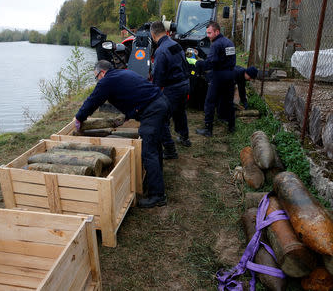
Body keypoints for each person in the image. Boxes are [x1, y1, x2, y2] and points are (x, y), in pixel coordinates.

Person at [75, 60, 170, 208]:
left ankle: (157, 195)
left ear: (102, 72)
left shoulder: (106, 81)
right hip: (161, 102)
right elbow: (133, 94)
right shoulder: (121, 73)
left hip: (153, 110)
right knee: (155, 145)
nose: (97, 80)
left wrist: (79, 117)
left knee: (148, 151)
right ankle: (155, 181)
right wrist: (128, 115)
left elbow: (93, 100)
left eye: (96, 76)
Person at [150, 21, 191, 160]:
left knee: (162, 118)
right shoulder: (176, 44)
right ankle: (184, 138)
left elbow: (158, 77)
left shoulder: (160, 51)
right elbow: (185, 64)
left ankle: (170, 149)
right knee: (180, 112)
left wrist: (153, 96)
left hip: (173, 88)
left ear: (152, 34)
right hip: (185, 84)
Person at [188, 21, 236, 137]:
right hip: (230, 75)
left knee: (209, 102)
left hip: (219, 76)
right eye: (207, 33)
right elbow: (230, 59)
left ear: (217, 32)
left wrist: (198, 64)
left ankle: (208, 129)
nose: (208, 36)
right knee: (228, 102)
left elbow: (211, 63)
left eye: (210, 33)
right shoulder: (229, 43)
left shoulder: (216, 44)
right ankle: (231, 127)